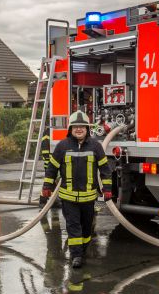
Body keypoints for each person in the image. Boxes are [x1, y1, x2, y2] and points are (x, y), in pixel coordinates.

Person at [41, 111, 112, 268]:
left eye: (82, 127)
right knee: (73, 227)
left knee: (86, 228)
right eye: (75, 127)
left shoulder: (96, 146)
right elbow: (52, 168)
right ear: (70, 129)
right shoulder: (62, 146)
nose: (79, 129)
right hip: (69, 198)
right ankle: (76, 255)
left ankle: (83, 249)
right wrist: (47, 186)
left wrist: (107, 188)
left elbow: (105, 169)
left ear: (87, 129)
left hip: (89, 198)